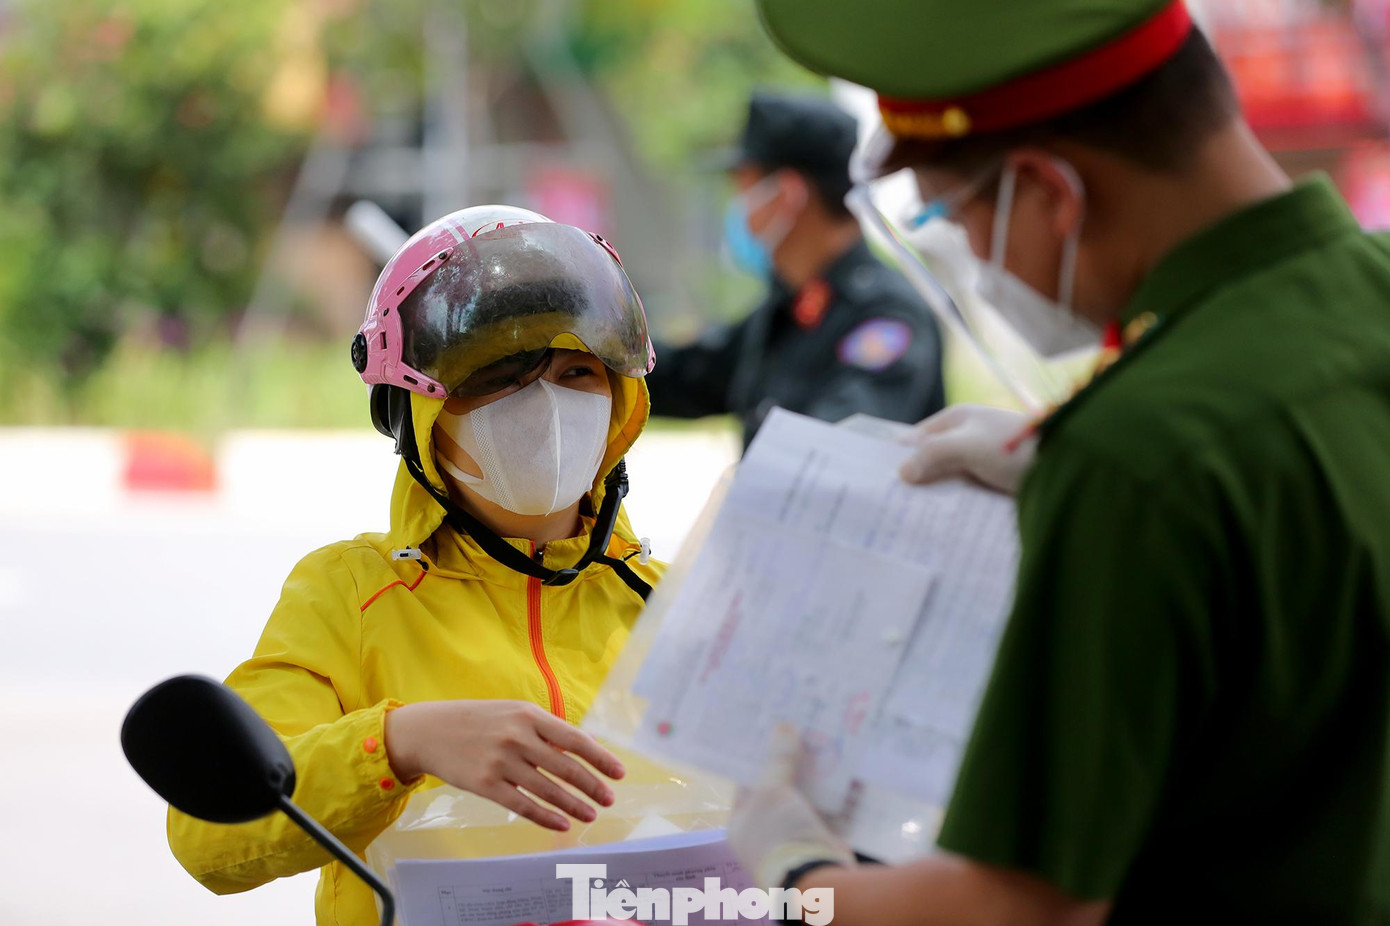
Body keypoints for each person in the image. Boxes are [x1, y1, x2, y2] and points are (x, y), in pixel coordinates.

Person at [730, 1, 1390, 923]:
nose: (974, 258)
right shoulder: (1370, 294)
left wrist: (801, 874)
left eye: (956, 217)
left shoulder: (1133, 454)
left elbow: (1023, 907)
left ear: (1048, 189)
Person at [166, 205, 665, 926]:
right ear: (414, 415)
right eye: (500, 374)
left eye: (576, 369)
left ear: (620, 401)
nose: (547, 401)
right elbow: (210, 832)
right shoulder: (346, 595)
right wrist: (398, 743)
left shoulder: (673, 608)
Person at [646, 91, 945, 448]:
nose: (739, 208)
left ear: (787, 194)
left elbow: (833, 450)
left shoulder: (887, 316)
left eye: (744, 188)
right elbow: (688, 376)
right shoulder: (793, 306)